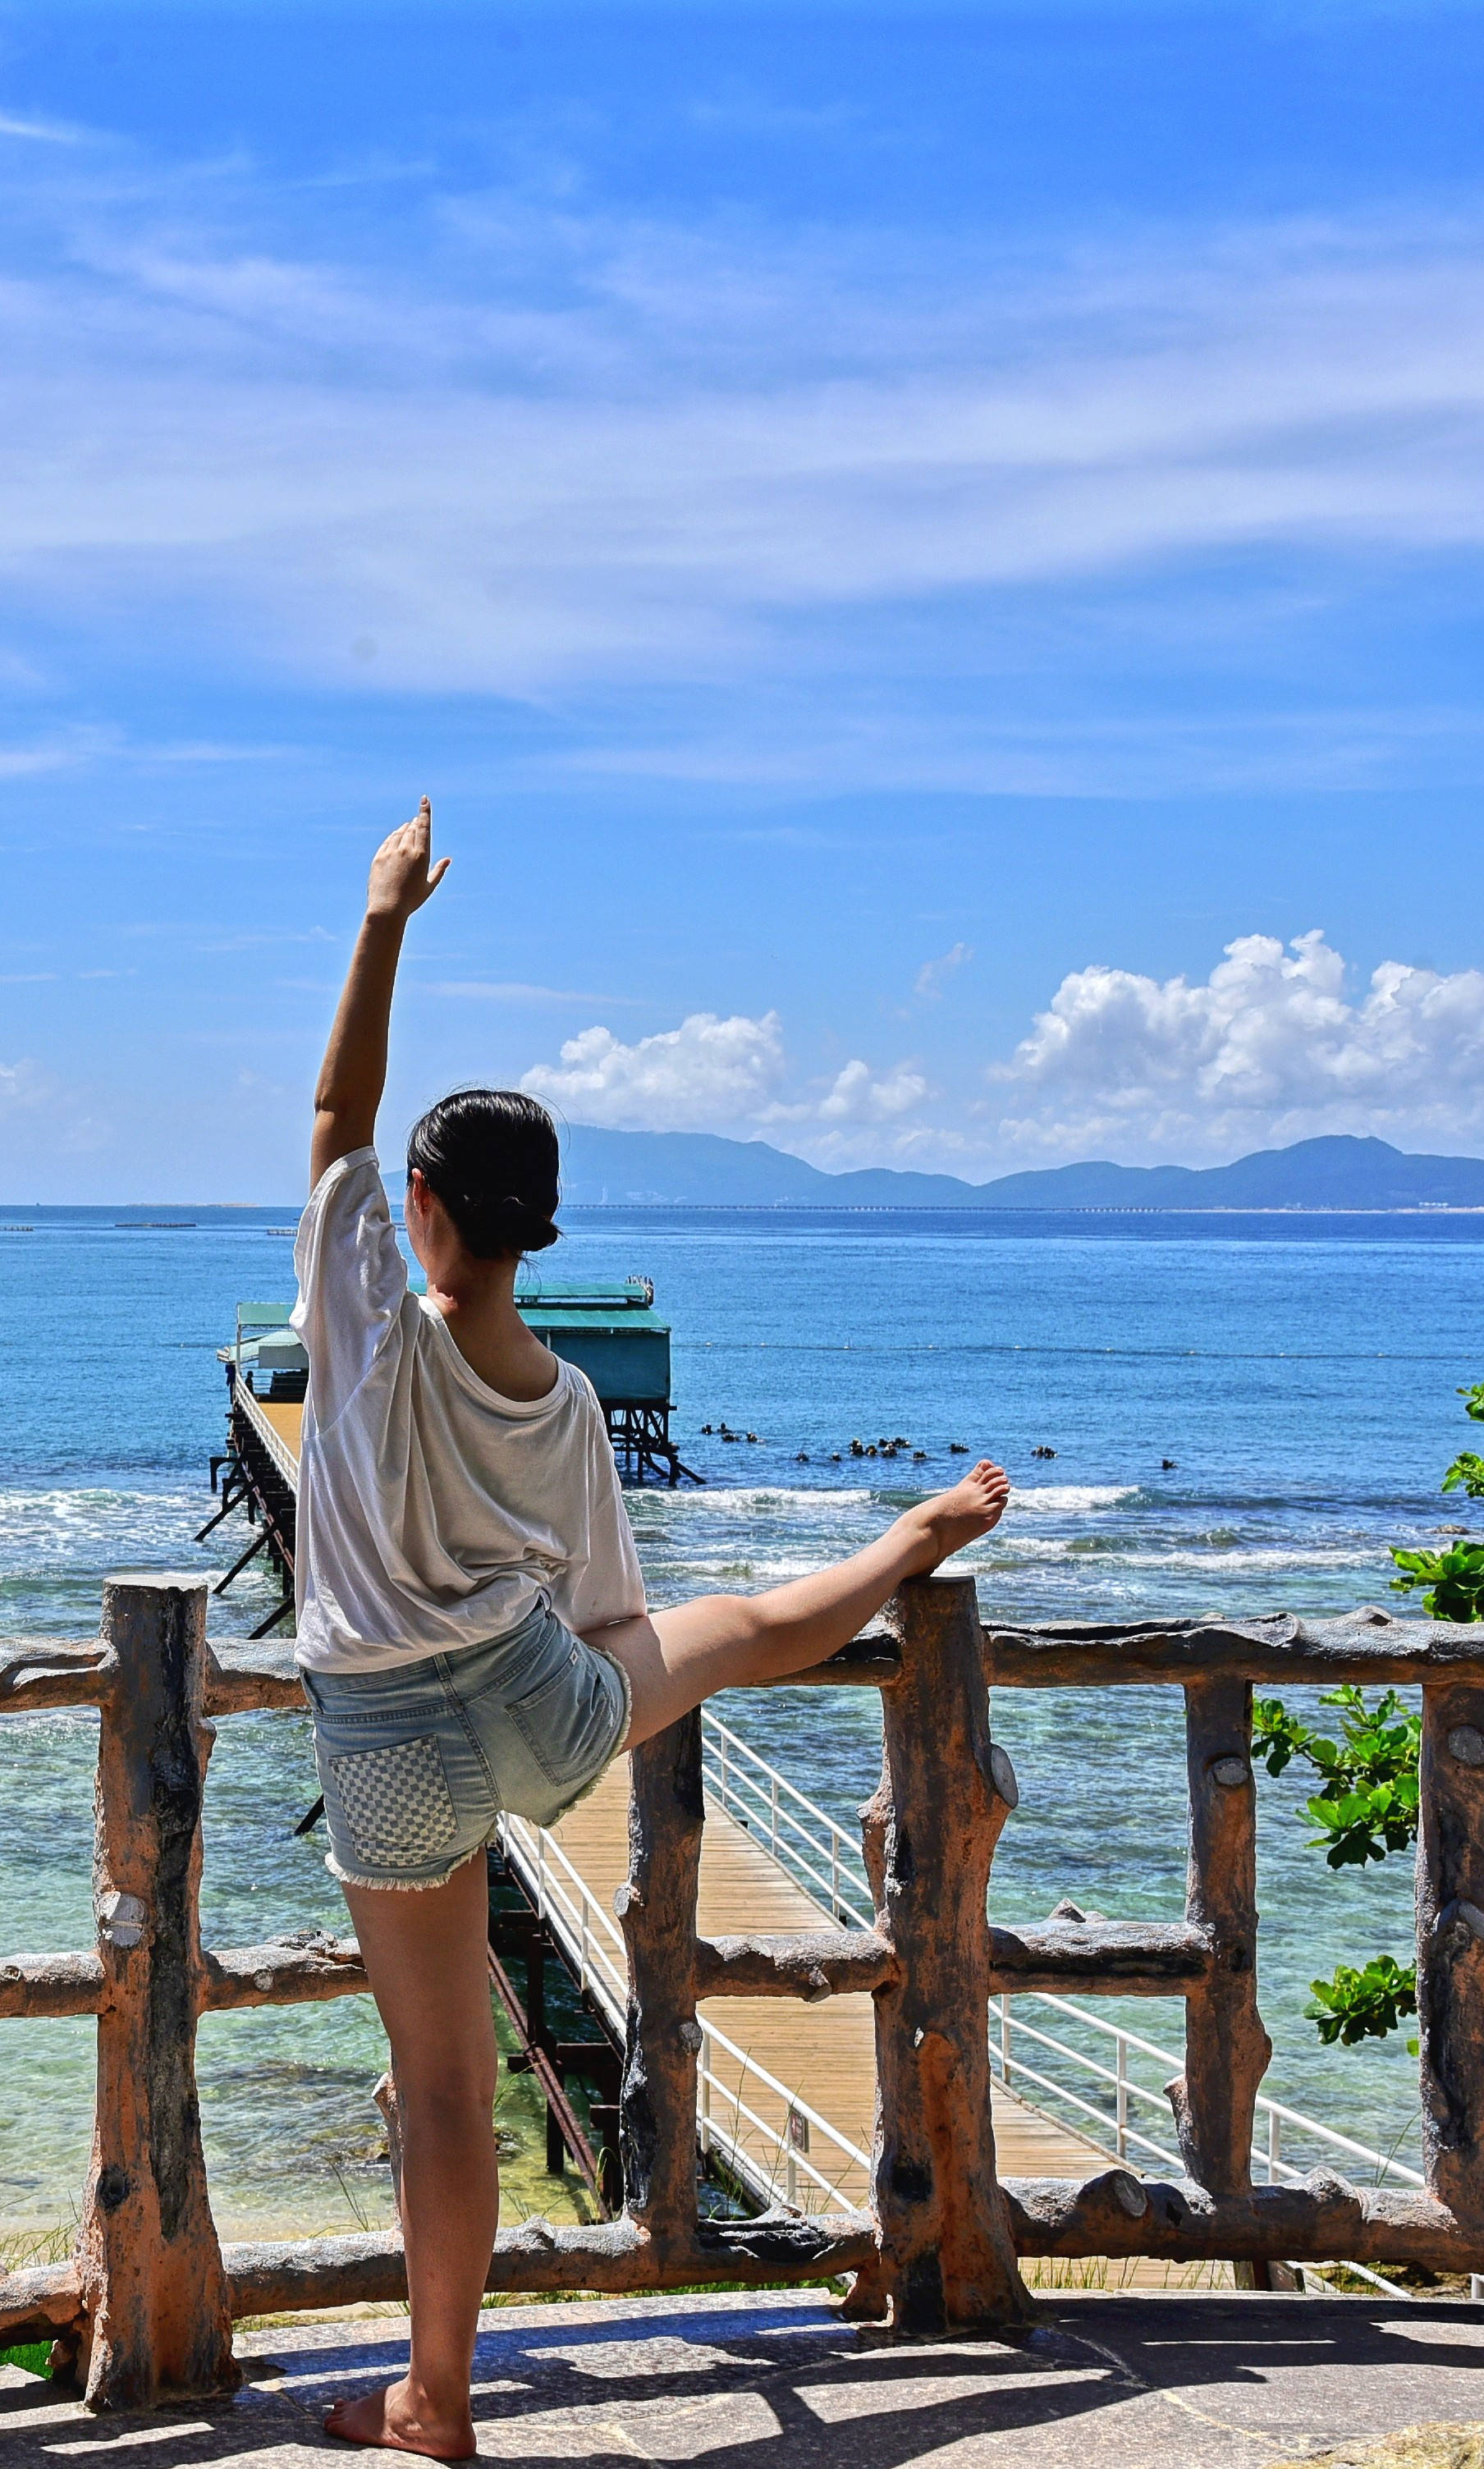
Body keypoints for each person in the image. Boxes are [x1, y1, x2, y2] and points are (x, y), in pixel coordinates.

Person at [297, 800, 1011, 2460]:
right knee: (747, 1625)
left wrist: (385, 913)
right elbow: (619, 1612)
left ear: (415, 1209)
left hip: (384, 1739)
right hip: (536, 1704)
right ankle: (912, 1536)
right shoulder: (565, 1409)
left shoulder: (367, 1334)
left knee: (449, 2087)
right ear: (538, 1222)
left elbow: (335, 1107)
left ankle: (436, 2401)